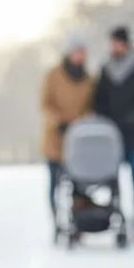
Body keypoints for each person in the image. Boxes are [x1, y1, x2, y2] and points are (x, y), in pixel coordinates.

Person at [94, 26, 134, 241]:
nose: (113, 47)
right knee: (113, 183)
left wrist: (132, 117)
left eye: (116, 42)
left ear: (125, 43)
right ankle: (118, 221)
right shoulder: (106, 69)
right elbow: (99, 100)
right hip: (112, 137)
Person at [40, 31, 93, 233]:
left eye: (82, 51)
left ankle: (77, 222)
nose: (79, 55)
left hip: (78, 141)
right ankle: (56, 223)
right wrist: (58, 121)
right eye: (76, 51)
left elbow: (90, 105)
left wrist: (81, 122)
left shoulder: (88, 78)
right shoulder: (53, 75)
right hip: (55, 139)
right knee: (55, 185)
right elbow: (45, 104)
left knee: (78, 185)